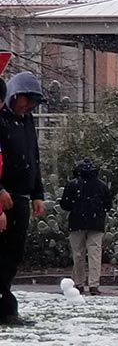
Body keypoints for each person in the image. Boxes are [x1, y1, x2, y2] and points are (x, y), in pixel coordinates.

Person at [0, 73, 46, 326]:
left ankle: (5, 303)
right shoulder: (2, 119)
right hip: (5, 195)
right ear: (15, 96)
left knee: (14, 253)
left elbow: (34, 158)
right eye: (26, 100)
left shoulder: (27, 122)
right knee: (4, 252)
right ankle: (5, 305)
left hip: (19, 196)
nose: (28, 106)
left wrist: (37, 193)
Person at [59, 160, 112, 297]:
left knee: (78, 254)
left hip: (77, 223)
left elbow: (65, 205)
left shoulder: (72, 185)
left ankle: (79, 283)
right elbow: (108, 205)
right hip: (96, 224)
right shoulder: (102, 186)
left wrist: (76, 207)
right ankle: (94, 285)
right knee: (95, 254)